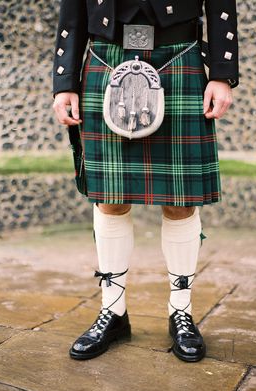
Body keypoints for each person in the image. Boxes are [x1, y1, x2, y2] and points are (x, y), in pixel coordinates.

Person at [52, 0, 239, 363]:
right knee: (109, 197)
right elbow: (72, 6)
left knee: (182, 200)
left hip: (179, 53)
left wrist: (221, 71)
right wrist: (64, 79)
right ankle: (113, 310)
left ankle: (181, 311)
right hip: (106, 54)